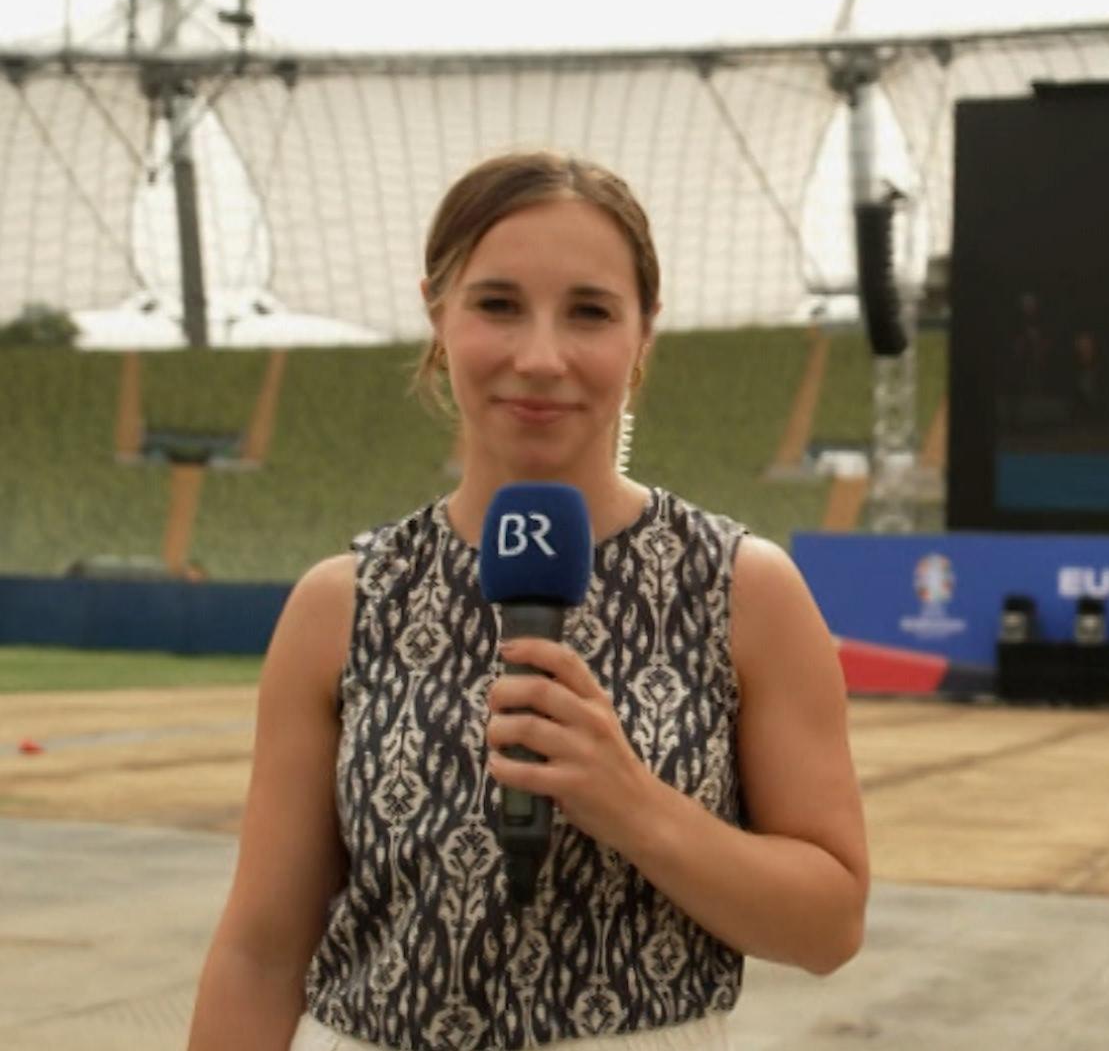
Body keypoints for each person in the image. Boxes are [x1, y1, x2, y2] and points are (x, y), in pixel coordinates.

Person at [187, 151, 869, 1050]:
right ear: (439, 312)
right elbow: (262, 951)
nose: (541, 357)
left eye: (589, 312)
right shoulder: (342, 606)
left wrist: (634, 806)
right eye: (497, 305)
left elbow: (828, 928)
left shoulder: (743, 590)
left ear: (644, 334)